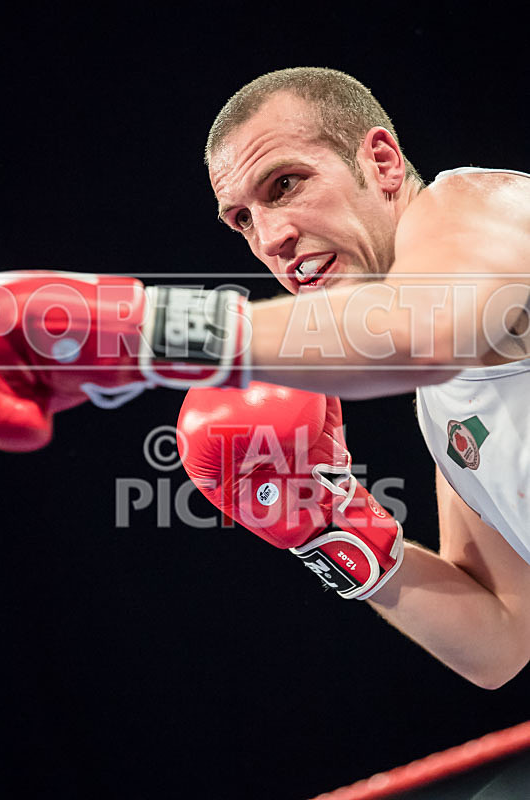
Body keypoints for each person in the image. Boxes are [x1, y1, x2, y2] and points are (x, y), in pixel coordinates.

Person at [183, 66, 530, 689]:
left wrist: (143, 329)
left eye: (285, 184)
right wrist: (332, 526)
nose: (272, 239)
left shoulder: (478, 207)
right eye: (241, 221)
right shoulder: (445, 403)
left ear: (383, 161)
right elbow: (503, 639)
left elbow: (425, 333)